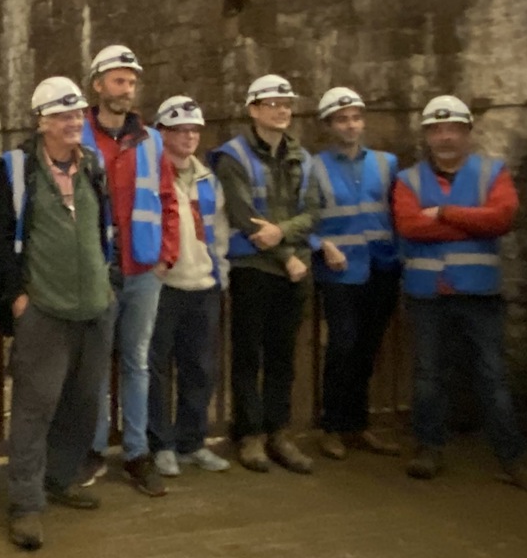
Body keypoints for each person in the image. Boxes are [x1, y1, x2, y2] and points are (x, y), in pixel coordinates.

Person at [392, 95, 527, 499]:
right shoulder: (408, 180)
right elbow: (410, 226)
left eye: (453, 128)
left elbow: (501, 218)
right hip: (427, 292)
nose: (445, 136)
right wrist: (472, 221)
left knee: (493, 376)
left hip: (479, 292)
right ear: (427, 136)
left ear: (467, 132)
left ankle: (512, 458)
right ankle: (429, 447)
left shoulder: (491, 172)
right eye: (437, 130)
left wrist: (443, 213)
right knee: (428, 375)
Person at [0, 76, 121, 551]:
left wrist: (108, 285)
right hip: (44, 309)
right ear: (42, 121)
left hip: (94, 307)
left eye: (77, 114)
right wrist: (16, 296)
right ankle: (26, 503)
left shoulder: (93, 165)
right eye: (63, 115)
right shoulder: (17, 168)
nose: (74, 123)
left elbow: (104, 227)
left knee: (83, 402)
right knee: (35, 406)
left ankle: (60, 477)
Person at [78, 46, 180, 495]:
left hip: (142, 267)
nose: (127, 89)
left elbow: (168, 199)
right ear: (98, 85)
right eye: (119, 80)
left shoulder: (151, 140)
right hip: (96, 268)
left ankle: (137, 453)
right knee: (97, 364)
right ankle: (94, 448)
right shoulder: (78, 134)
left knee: (137, 361)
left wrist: (166, 257)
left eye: (132, 82)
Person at [210, 74, 322, 473]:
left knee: (282, 355)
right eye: (272, 104)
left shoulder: (303, 158)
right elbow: (243, 215)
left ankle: (279, 431)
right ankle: (249, 433)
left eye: (286, 104)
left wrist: (283, 235)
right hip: (253, 268)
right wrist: (287, 256)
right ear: (253, 109)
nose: (281, 110)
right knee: (247, 353)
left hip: (292, 270)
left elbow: (313, 211)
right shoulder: (233, 157)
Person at [308, 87, 406, 461]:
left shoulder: (386, 163)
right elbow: (306, 217)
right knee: (343, 346)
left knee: (367, 349)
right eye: (341, 120)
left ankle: (358, 425)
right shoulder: (315, 167)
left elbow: (398, 211)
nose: (350, 125)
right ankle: (332, 427)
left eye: (355, 118)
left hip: (382, 266)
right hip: (340, 270)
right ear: (329, 125)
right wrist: (320, 244)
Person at [145, 96, 233, 477]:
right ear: (162, 133)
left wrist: (220, 274)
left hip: (203, 284)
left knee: (200, 368)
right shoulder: (150, 176)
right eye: (180, 130)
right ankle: (160, 444)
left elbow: (220, 231)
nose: (189, 136)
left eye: (194, 130)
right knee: (156, 369)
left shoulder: (207, 179)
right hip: (163, 285)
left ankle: (192, 442)